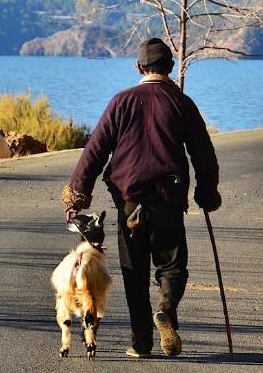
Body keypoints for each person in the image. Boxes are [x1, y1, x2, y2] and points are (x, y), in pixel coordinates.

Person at [61, 37, 221, 358]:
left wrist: (78, 195)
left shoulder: (121, 101)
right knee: (172, 265)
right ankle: (165, 307)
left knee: (134, 271)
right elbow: (203, 152)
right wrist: (207, 191)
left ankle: (141, 343)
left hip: (129, 199)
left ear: (139, 67)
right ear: (171, 67)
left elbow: (95, 150)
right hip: (168, 197)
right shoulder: (182, 103)